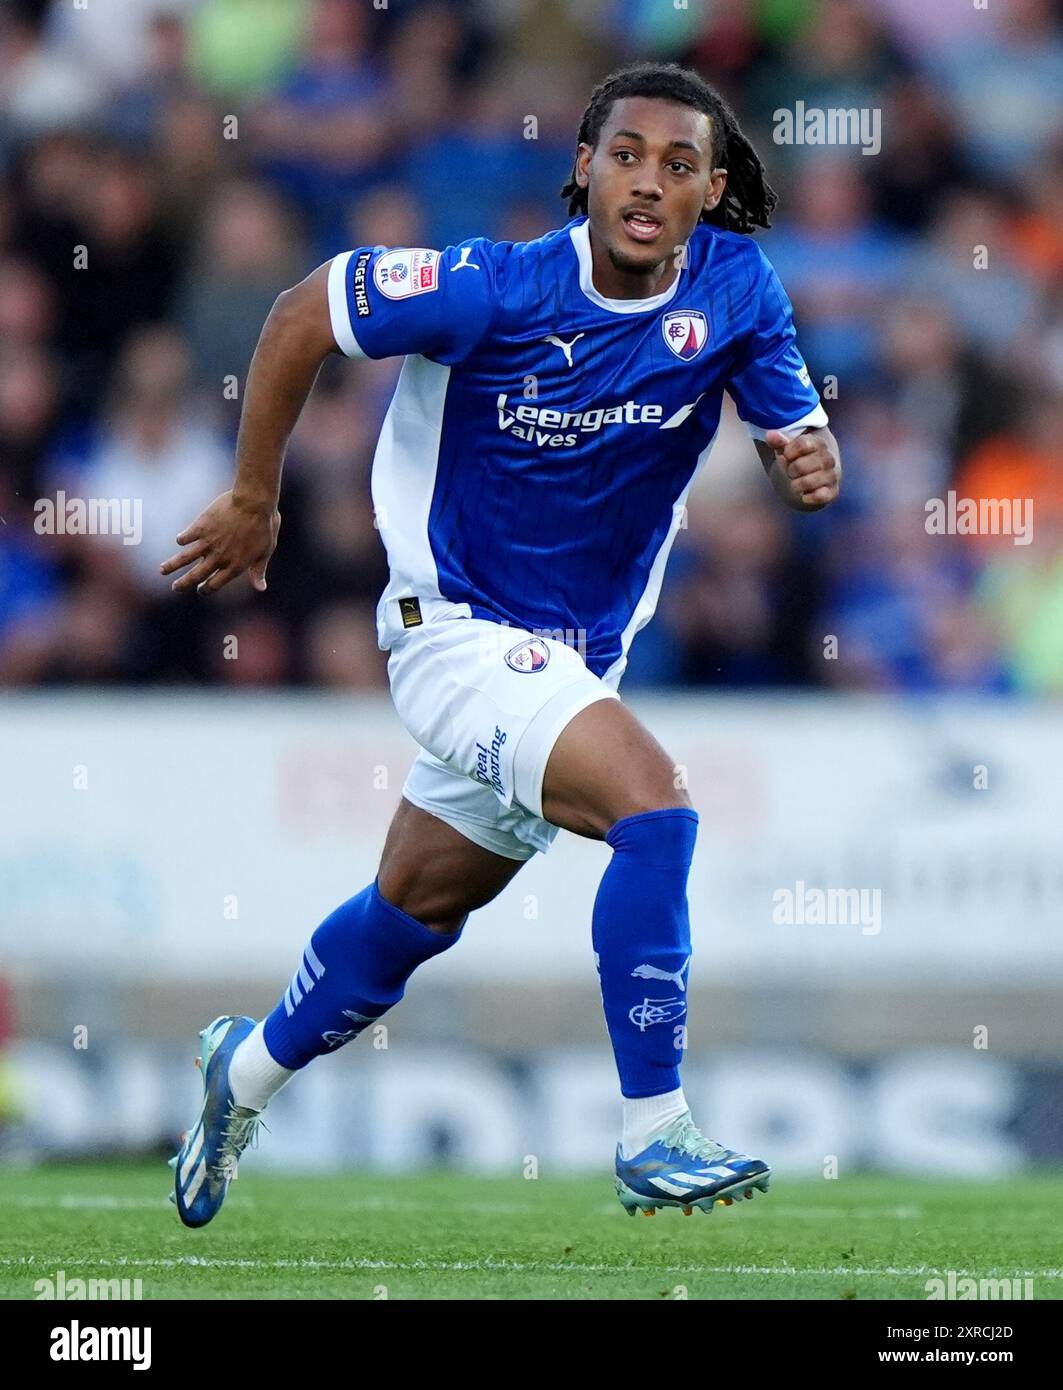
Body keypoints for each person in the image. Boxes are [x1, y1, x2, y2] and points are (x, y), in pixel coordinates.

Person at [161, 62, 841, 1227]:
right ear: (583, 169)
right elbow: (301, 312)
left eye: (678, 166)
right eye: (625, 154)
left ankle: (244, 1072)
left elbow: (796, 429)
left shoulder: (735, 288)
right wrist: (254, 498)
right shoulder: (494, 287)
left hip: (576, 660)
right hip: (454, 632)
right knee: (656, 810)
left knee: (413, 913)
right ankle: (651, 1129)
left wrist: (807, 457)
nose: (647, 181)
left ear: (709, 191)